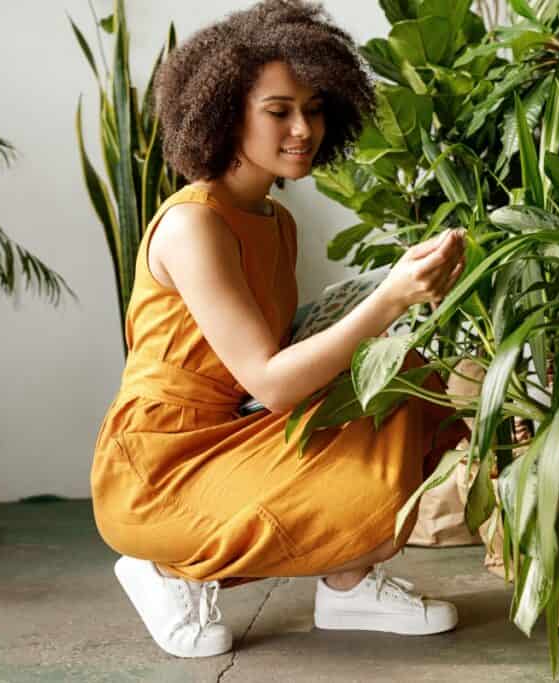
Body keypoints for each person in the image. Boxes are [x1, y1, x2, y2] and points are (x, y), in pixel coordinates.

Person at [90, 0, 471, 660]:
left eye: (316, 107)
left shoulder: (276, 221)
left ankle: (347, 583)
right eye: (279, 111)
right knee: (369, 463)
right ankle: (165, 564)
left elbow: (272, 363)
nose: (305, 128)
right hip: (162, 467)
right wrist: (386, 299)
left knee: (413, 388)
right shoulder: (194, 225)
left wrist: (392, 308)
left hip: (238, 432)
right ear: (224, 111)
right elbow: (269, 383)